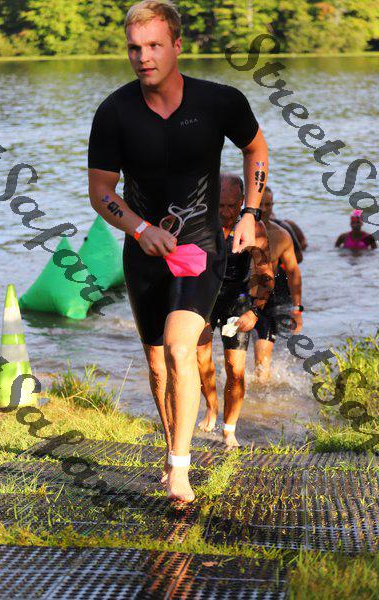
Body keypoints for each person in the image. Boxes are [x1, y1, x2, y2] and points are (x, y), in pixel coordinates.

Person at [87, 0, 269, 502]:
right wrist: (139, 228)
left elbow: (255, 148)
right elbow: (101, 190)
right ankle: (173, 449)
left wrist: (250, 213)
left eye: (154, 45)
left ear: (177, 46)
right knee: (156, 365)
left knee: (179, 348)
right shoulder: (114, 112)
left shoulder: (218, 102)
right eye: (134, 48)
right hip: (144, 254)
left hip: (200, 247)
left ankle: (180, 468)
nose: (143, 57)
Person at [197, 174, 274, 445]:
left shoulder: (255, 228)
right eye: (220, 206)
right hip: (204, 298)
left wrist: (255, 311)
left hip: (237, 300)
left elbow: (266, 275)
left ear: (242, 201)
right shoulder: (200, 223)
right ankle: (211, 406)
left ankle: (229, 429)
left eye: (232, 206)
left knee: (236, 369)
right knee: (201, 361)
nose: (227, 212)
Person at [253, 188, 303, 383]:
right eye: (260, 204)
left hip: (267, 300)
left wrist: (297, 310)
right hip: (239, 298)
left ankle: (262, 394)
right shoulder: (235, 230)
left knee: (263, 360)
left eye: (268, 204)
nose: (264, 209)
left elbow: (293, 272)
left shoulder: (281, 235)